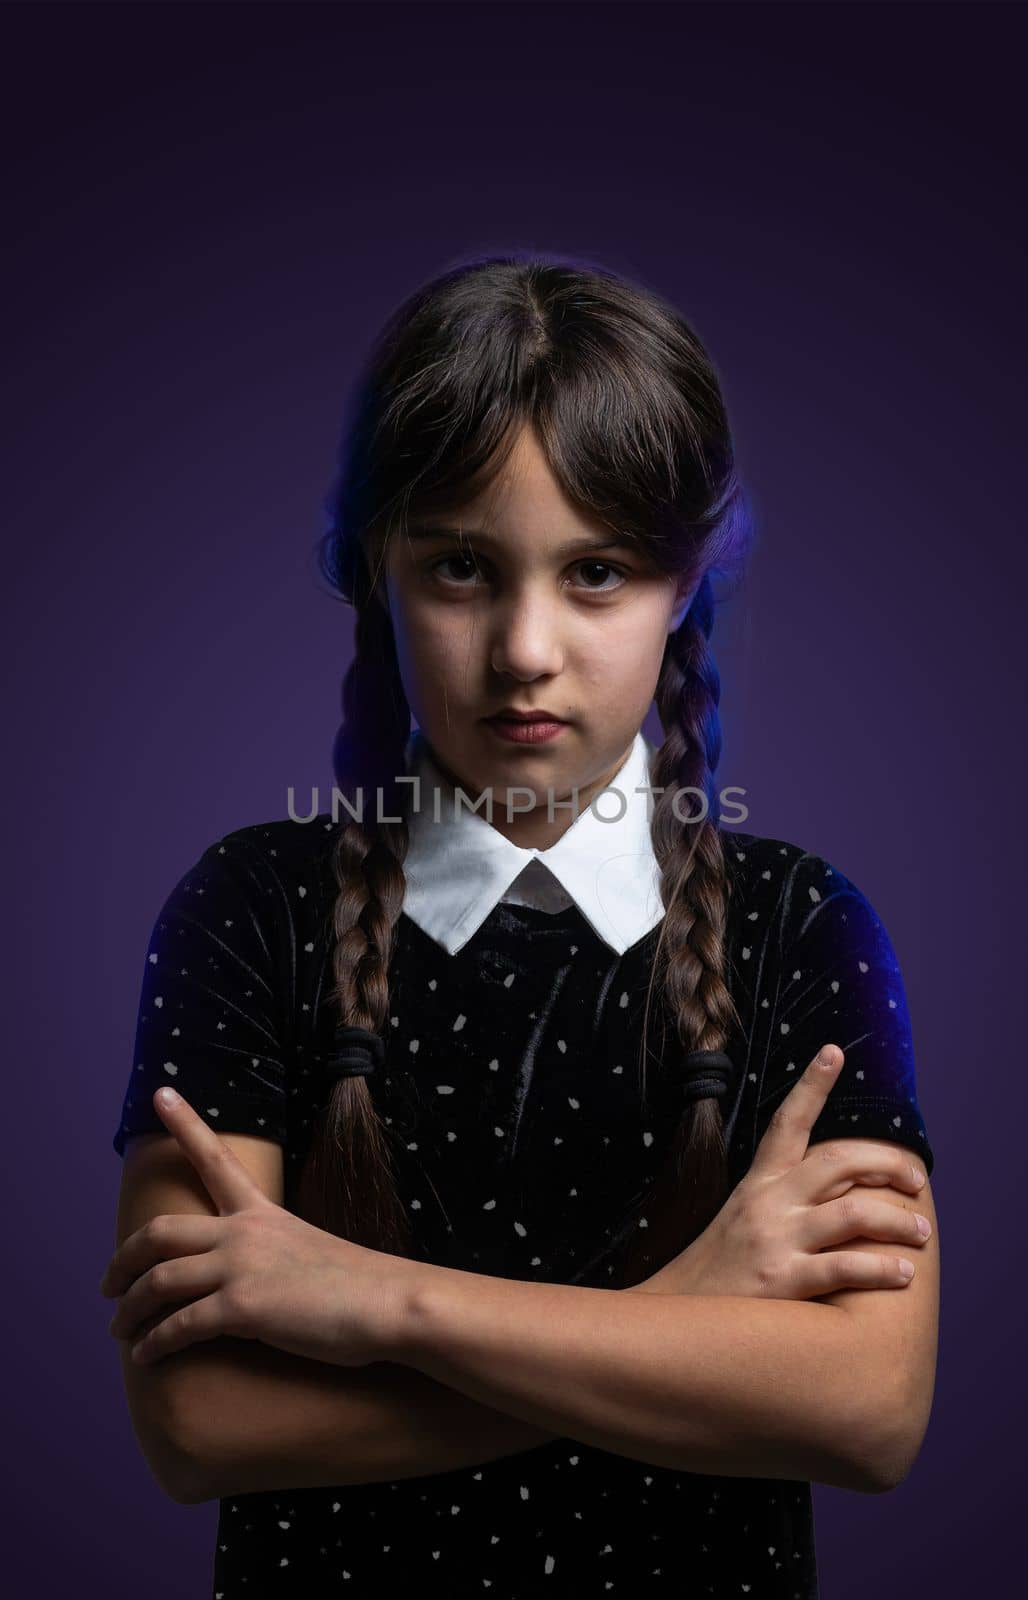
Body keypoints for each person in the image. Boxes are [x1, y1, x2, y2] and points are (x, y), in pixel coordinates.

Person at [105, 255, 938, 1598]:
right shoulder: (253, 908)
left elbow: (869, 1409)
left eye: (597, 571)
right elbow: (204, 1426)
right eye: (461, 569)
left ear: (688, 584)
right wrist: (689, 1329)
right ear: (376, 566)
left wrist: (385, 1303)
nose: (525, 648)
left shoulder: (803, 924)